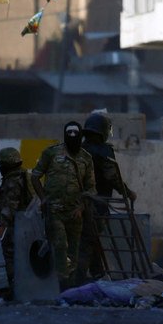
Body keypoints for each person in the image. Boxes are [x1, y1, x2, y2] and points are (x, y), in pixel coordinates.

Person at [32, 121, 97, 290]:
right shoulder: (51, 153)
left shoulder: (86, 158)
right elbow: (35, 176)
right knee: (60, 245)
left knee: (73, 250)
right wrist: (43, 198)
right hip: (54, 210)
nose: (73, 136)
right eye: (70, 133)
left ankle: (70, 287)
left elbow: (91, 188)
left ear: (81, 135)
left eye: (76, 133)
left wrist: (81, 207)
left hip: (75, 211)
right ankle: (63, 283)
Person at [75, 112, 137, 284]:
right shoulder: (103, 151)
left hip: (75, 204)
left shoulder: (78, 149)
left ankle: (98, 275)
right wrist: (128, 193)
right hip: (96, 205)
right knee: (87, 243)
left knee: (90, 241)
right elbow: (112, 177)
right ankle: (76, 281)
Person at [0, 147, 35, 294]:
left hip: (15, 225)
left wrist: (2, 225)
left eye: (2, 164)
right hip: (26, 224)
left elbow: (10, 205)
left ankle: (15, 287)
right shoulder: (24, 176)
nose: (0, 167)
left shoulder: (13, 181)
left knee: (10, 255)